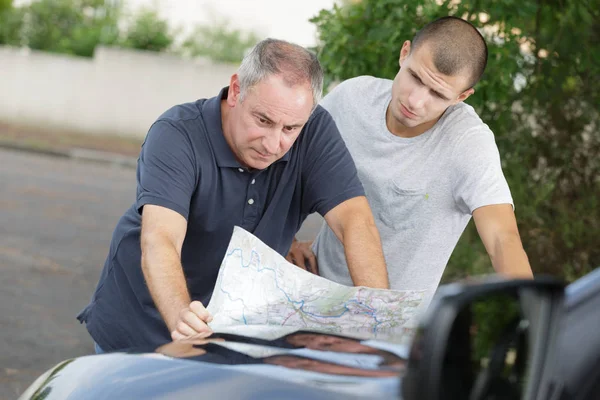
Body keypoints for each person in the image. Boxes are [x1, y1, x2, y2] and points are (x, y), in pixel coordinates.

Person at [77, 38, 390, 353]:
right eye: (263, 121)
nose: (273, 143)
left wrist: (381, 319)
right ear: (237, 90)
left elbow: (355, 222)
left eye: (290, 129)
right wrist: (181, 317)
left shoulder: (315, 131)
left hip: (235, 335)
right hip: (141, 328)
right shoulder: (177, 133)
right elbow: (160, 239)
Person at [287, 16, 533, 312]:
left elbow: (501, 238)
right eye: (416, 77)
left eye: (438, 94)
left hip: (391, 327)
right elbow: (283, 159)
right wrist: (286, 239)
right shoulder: (352, 98)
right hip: (309, 294)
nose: (416, 101)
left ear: (461, 96)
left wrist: (534, 317)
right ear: (405, 53)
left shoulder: (469, 144)